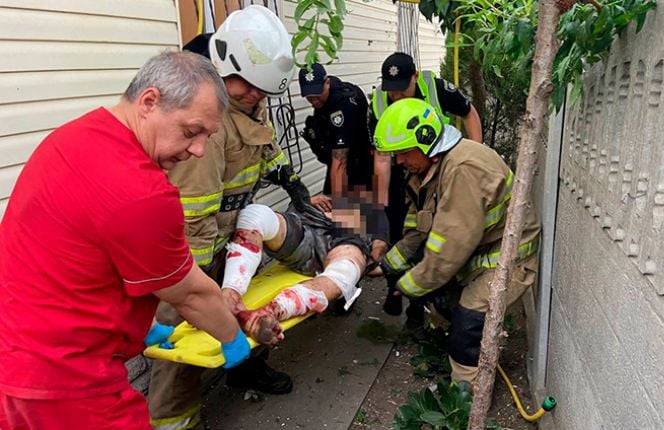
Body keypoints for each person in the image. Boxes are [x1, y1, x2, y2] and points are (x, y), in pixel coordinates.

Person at [0, 52, 250, 430]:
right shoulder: (143, 193)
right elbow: (192, 295)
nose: (198, 149)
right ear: (149, 102)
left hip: (14, 358)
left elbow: (79, 252)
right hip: (67, 380)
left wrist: (138, 325)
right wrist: (232, 337)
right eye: (190, 131)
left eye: (208, 136)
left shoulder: (73, 136)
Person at [147, 7, 321, 429]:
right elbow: (193, 217)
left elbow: (267, 151)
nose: (256, 96)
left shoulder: (247, 100)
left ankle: (245, 369)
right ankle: (174, 421)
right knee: (180, 351)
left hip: (226, 239)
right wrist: (200, 284)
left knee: (245, 304)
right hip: (188, 256)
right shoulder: (205, 123)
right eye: (251, 87)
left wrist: (296, 186)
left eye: (263, 90)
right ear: (223, 67)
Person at [371, 98, 540, 386]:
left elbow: (449, 248)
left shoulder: (463, 168)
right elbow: (417, 228)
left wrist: (410, 286)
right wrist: (389, 265)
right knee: (441, 302)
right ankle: (467, 351)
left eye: (402, 153)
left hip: (508, 258)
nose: (398, 161)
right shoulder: (430, 168)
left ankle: (466, 395)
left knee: (468, 320)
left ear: (425, 142)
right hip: (479, 251)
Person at [368, 52, 484, 333]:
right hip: (403, 171)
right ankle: (399, 293)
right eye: (391, 90)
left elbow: (469, 113)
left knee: (436, 230)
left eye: (402, 89)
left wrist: (475, 153)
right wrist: (380, 204)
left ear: (415, 77)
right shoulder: (380, 101)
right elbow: (382, 158)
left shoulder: (435, 88)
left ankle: (426, 298)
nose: (396, 96)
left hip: (438, 169)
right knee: (402, 230)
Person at [218, 200, 390, 345]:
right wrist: (307, 200)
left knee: (345, 272)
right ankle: (230, 294)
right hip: (308, 227)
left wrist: (372, 261)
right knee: (256, 213)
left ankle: (269, 313)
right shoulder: (328, 194)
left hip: (349, 242)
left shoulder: (376, 210)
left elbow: (379, 251)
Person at [298, 63, 373, 198]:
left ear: (327, 83)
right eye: (309, 97)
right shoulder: (325, 97)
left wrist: (338, 205)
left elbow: (340, 162)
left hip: (359, 166)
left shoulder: (344, 107)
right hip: (338, 161)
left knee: (354, 211)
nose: (314, 101)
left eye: (317, 94)